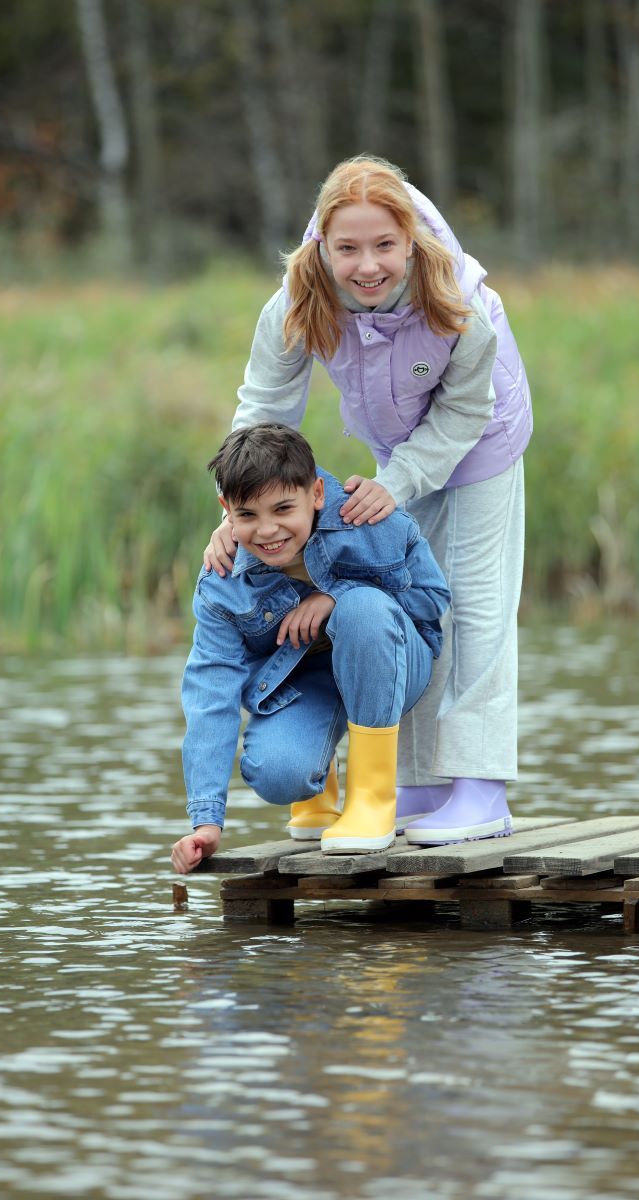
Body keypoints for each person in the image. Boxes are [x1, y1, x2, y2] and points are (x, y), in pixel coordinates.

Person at [204, 155, 532, 845]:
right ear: (323, 245)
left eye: (384, 245)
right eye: (348, 248)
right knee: (405, 603)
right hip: (395, 449)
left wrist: (398, 483)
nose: (368, 265)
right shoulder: (298, 298)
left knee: (473, 606)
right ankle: (418, 783)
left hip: (479, 442)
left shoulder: (460, 303)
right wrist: (231, 514)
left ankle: (480, 786)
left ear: (410, 240)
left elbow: (464, 414)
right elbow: (264, 408)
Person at [171, 423, 451, 875]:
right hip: (307, 683)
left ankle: (372, 800)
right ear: (225, 511)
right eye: (247, 516)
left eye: (283, 508)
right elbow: (210, 694)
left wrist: (334, 596)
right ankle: (320, 785)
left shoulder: (370, 520)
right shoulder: (223, 581)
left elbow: (432, 599)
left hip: (393, 661)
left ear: (316, 493)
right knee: (277, 772)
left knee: (360, 609)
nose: (267, 530)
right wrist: (207, 821)